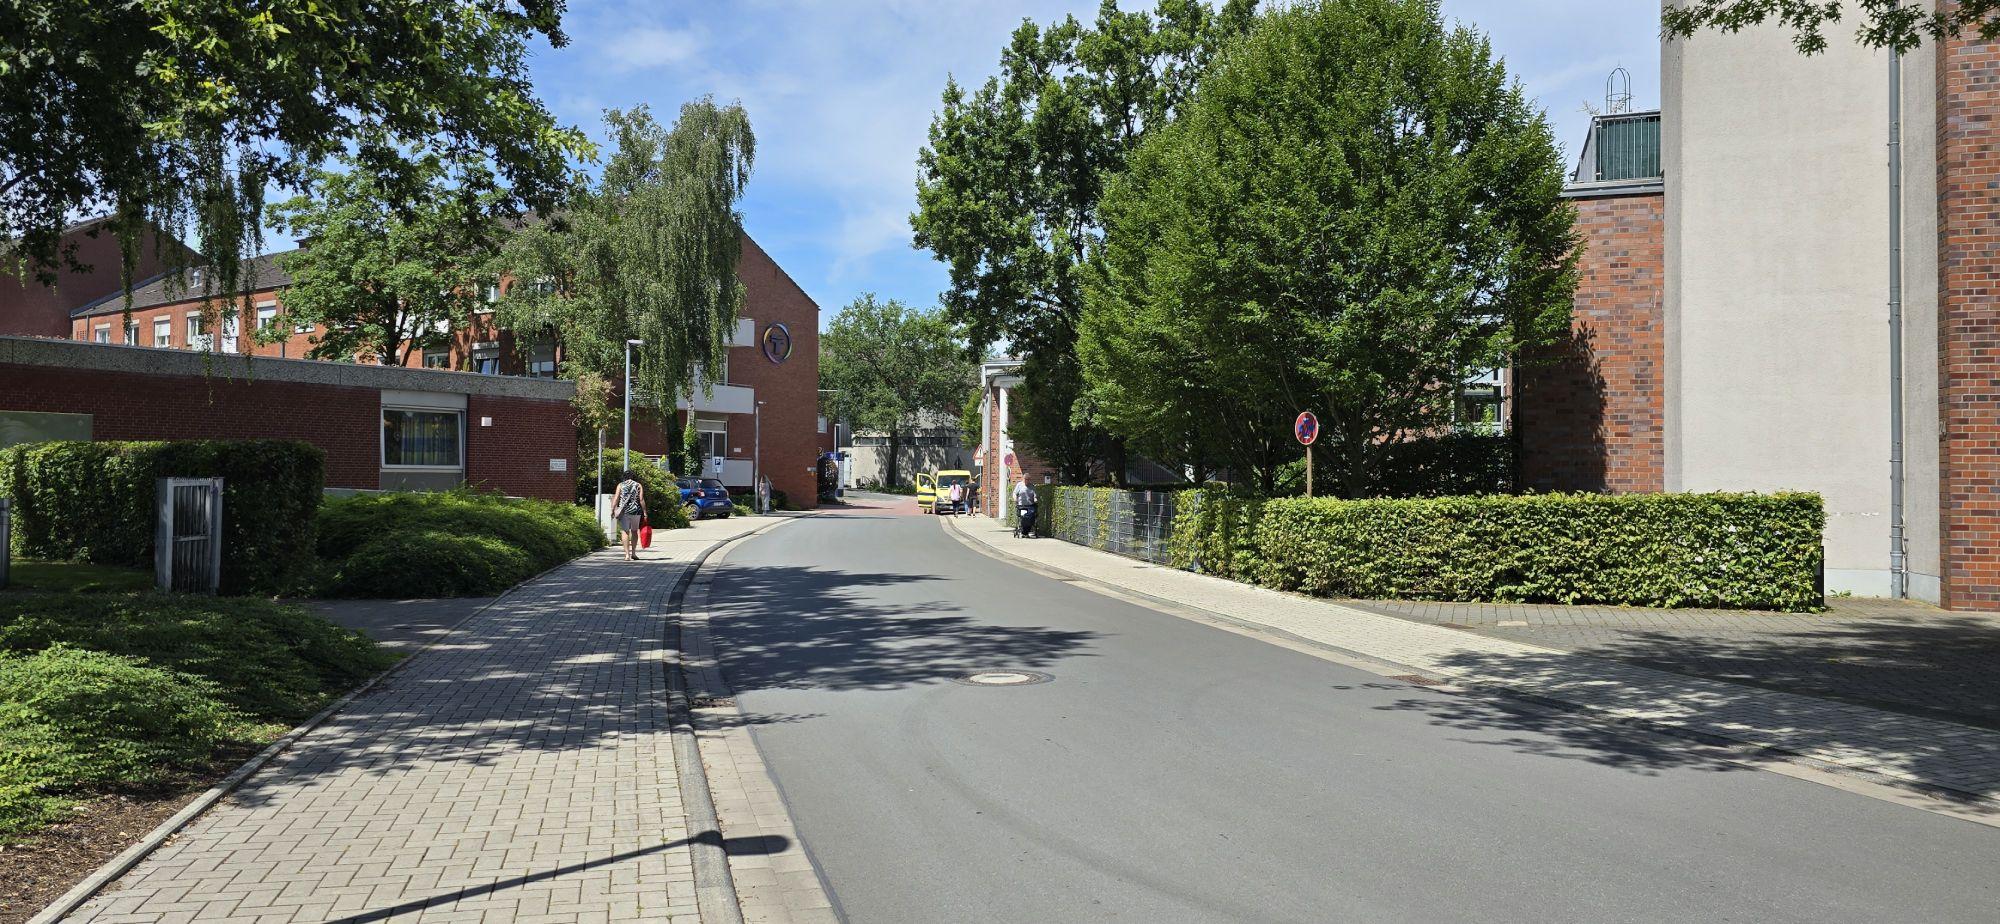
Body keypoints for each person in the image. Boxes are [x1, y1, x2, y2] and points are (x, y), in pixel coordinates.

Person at [613, 469, 647, 561]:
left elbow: (616, 498)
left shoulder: (620, 485)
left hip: (624, 512)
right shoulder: (638, 485)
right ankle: (634, 553)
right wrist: (645, 512)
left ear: (624, 477)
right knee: (635, 531)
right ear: (633, 476)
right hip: (635, 511)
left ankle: (627, 555)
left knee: (625, 531)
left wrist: (613, 510)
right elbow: (641, 499)